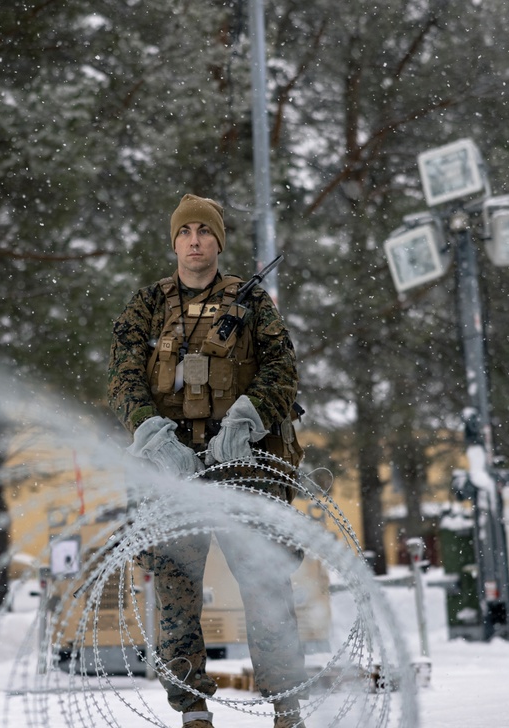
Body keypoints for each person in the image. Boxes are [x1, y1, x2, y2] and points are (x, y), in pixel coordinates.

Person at [107, 194, 307, 728]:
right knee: (175, 592)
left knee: (265, 583)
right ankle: (192, 712)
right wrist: (153, 433)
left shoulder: (251, 303)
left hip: (243, 465)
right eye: (185, 231)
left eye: (205, 231)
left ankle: (287, 707)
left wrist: (249, 417)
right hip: (173, 471)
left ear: (218, 241)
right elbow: (122, 378)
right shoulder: (146, 305)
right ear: (174, 242)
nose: (195, 240)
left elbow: (282, 368)